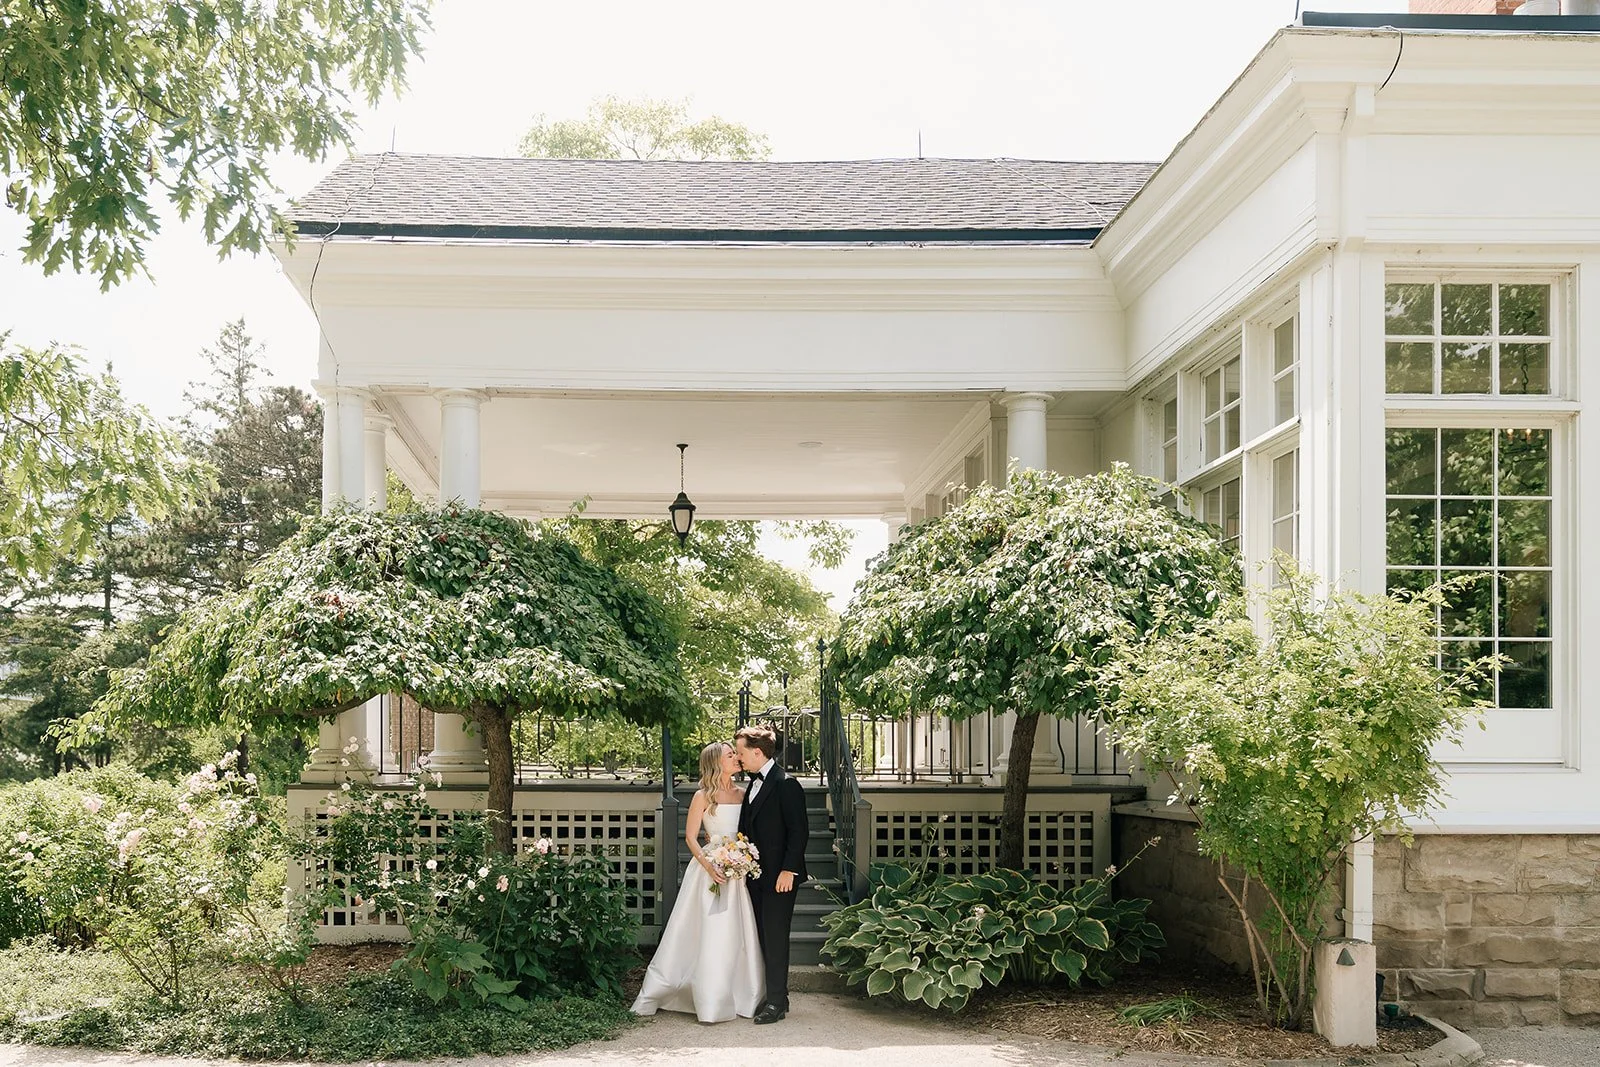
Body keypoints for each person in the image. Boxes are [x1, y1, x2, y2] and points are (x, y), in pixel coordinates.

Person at [631, 741, 765, 1023]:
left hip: (737, 870)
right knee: (705, 931)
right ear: (717, 762)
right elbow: (691, 837)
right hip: (709, 870)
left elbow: (747, 831)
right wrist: (710, 865)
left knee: (735, 933)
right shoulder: (703, 796)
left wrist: (741, 857)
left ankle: (740, 993)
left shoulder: (744, 794)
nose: (737, 758)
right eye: (731, 755)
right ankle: (703, 995)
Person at [735, 723, 809, 1025]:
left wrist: (788, 870)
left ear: (756, 752)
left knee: (776, 938)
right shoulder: (752, 784)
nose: (738, 757)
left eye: (740, 752)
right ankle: (778, 994)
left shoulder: (786, 783)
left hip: (780, 876)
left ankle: (776, 1003)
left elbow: (799, 831)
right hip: (754, 875)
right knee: (763, 937)